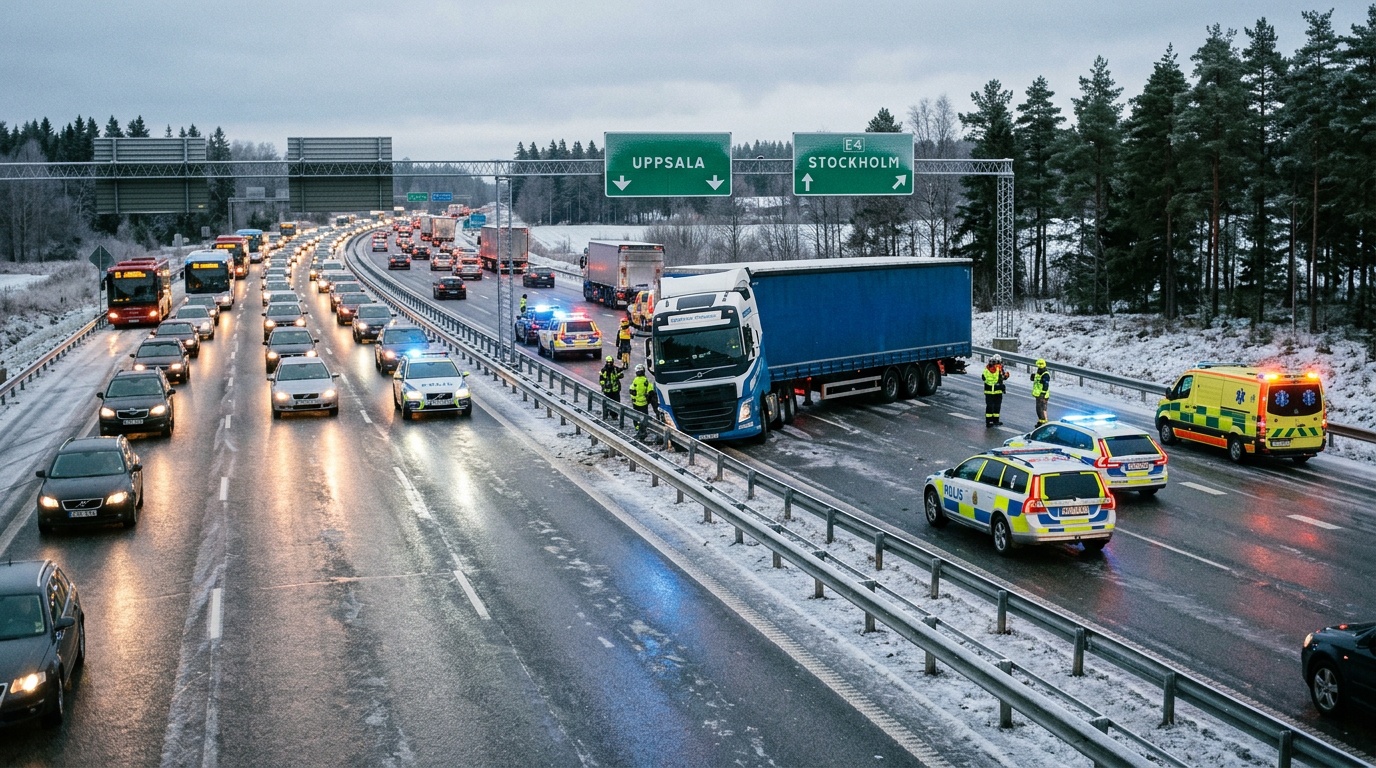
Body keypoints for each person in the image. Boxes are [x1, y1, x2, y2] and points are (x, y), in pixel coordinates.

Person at [983, 354, 1009, 428]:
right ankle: (994, 421)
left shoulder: (987, 369)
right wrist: (1007, 375)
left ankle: (990, 421)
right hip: (997, 390)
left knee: (990, 406)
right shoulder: (999, 368)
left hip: (989, 391)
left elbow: (983, 378)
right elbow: (1003, 377)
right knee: (996, 406)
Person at [630, 363, 654, 439]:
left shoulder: (635, 380)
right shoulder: (645, 380)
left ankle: (639, 430)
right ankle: (643, 430)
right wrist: (648, 398)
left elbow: (631, 390)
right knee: (644, 417)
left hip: (636, 403)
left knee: (636, 417)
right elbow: (651, 391)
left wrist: (633, 397)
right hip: (644, 403)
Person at [1030, 359, 1051, 426]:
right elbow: (1037, 381)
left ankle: (1043, 422)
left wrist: (1043, 394)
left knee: (1042, 409)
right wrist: (1033, 377)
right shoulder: (1039, 372)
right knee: (1039, 409)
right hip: (1039, 394)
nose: (1039, 367)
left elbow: (1045, 384)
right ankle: (1041, 421)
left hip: (1042, 395)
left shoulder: (1045, 374)